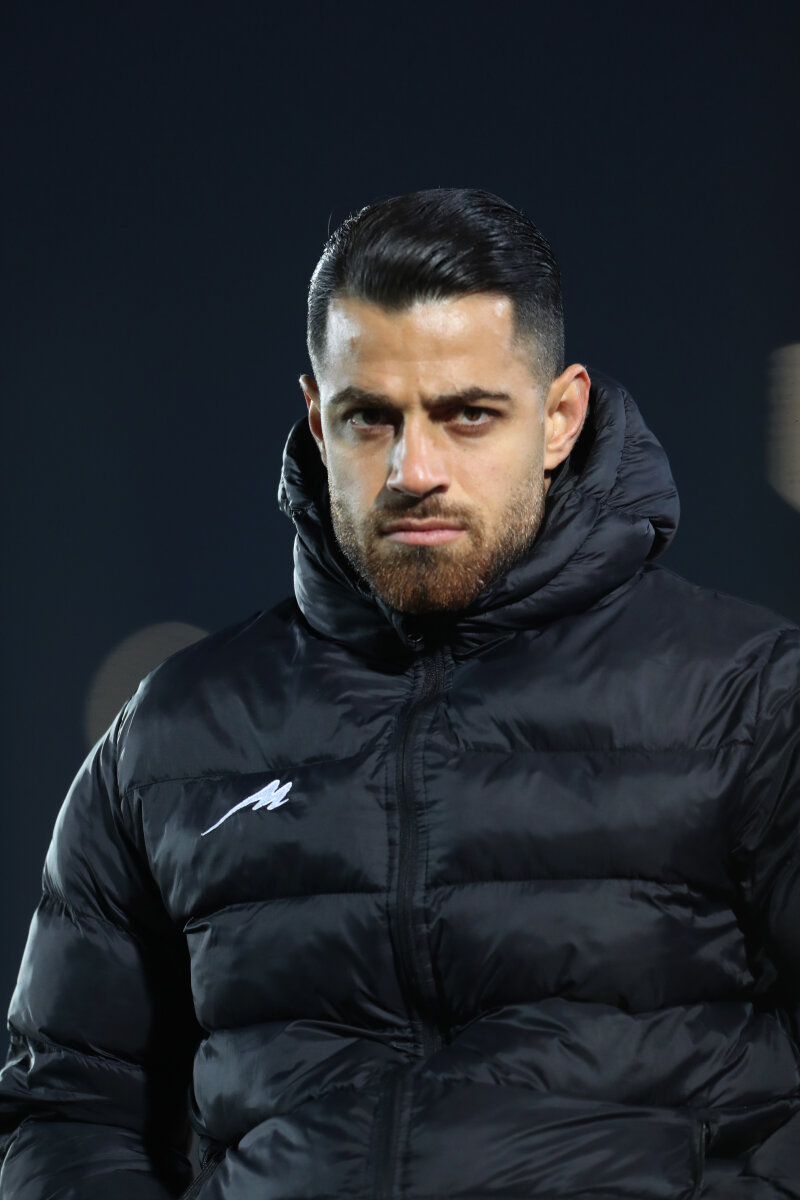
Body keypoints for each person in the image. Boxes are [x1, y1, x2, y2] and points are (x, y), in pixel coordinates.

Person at [0, 187, 798, 1200]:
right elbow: (68, 1106)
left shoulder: (748, 700)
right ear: (315, 418)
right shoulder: (175, 736)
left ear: (559, 418)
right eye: (370, 419)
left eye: (468, 415)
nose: (413, 470)